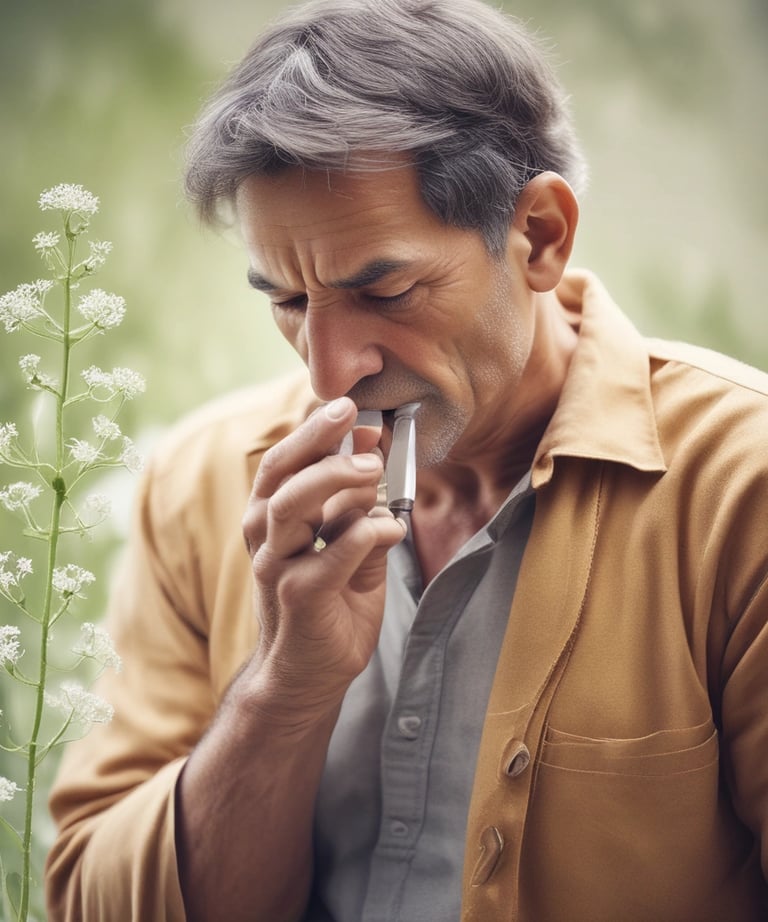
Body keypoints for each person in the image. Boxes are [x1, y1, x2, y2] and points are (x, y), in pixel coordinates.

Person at [45, 0, 768, 919]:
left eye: (385, 291)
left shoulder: (742, 488)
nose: (328, 374)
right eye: (289, 302)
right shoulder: (201, 485)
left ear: (541, 235)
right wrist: (281, 692)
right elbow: (93, 900)